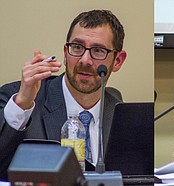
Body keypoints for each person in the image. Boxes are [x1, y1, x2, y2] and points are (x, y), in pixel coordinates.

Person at [0, 10, 127, 180]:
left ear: (117, 61)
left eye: (98, 50)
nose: (85, 60)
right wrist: (22, 104)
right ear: (65, 53)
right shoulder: (20, 100)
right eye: (77, 47)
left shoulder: (119, 111)